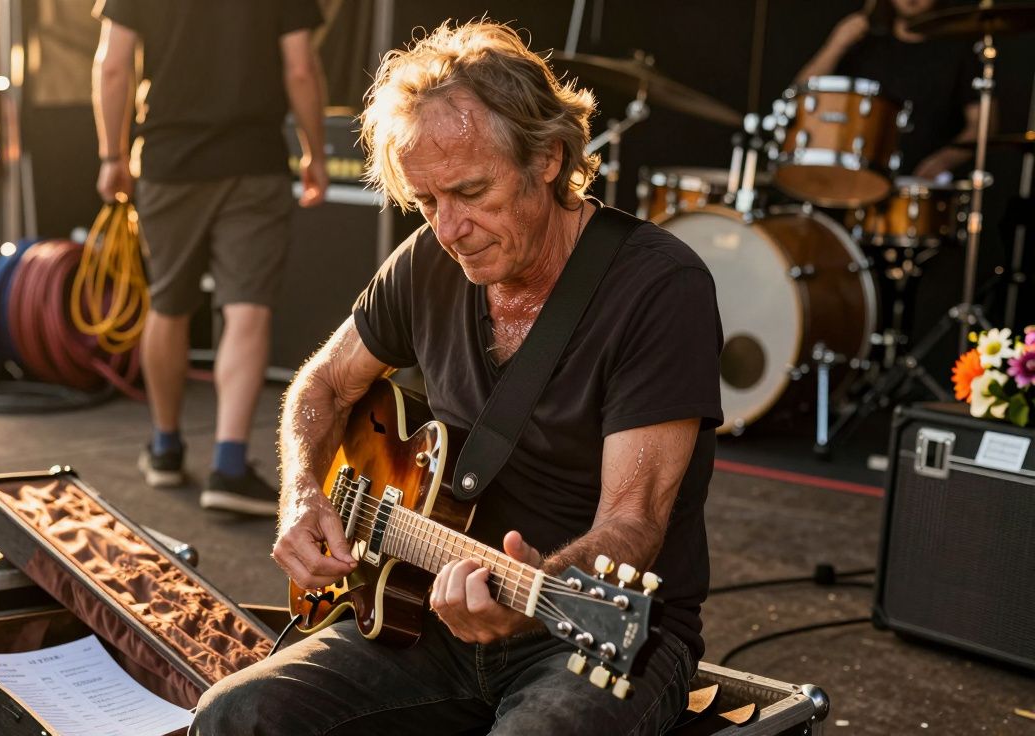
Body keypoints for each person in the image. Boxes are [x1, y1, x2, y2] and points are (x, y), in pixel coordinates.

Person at [195, 21, 723, 735]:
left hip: (591, 632)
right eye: (426, 202)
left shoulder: (659, 288)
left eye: (471, 192)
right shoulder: (428, 261)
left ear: (548, 157)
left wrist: (530, 593)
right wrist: (302, 496)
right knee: (234, 714)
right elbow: (322, 386)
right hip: (422, 615)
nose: (448, 230)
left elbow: (632, 524)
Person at [92, 0, 329, 515]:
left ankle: (165, 448)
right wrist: (314, 151)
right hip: (254, 162)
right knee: (247, 308)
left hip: (169, 162)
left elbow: (113, 65)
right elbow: (301, 68)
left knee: (168, 302)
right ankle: (229, 465)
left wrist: (112, 156)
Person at [795, 0, 983, 179]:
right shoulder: (865, 45)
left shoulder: (957, 51)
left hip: (922, 187)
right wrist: (836, 45)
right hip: (856, 180)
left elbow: (982, 123)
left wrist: (944, 160)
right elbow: (799, 96)